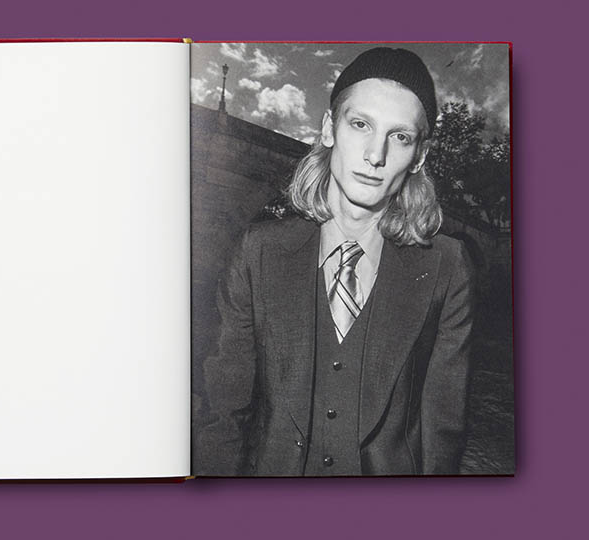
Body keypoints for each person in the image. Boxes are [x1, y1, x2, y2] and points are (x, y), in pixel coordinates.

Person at [194, 47, 474, 476]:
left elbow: (442, 435)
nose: (375, 155)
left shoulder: (448, 268)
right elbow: (221, 417)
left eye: (400, 137)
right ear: (329, 128)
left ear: (419, 156)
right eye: (360, 124)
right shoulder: (258, 252)